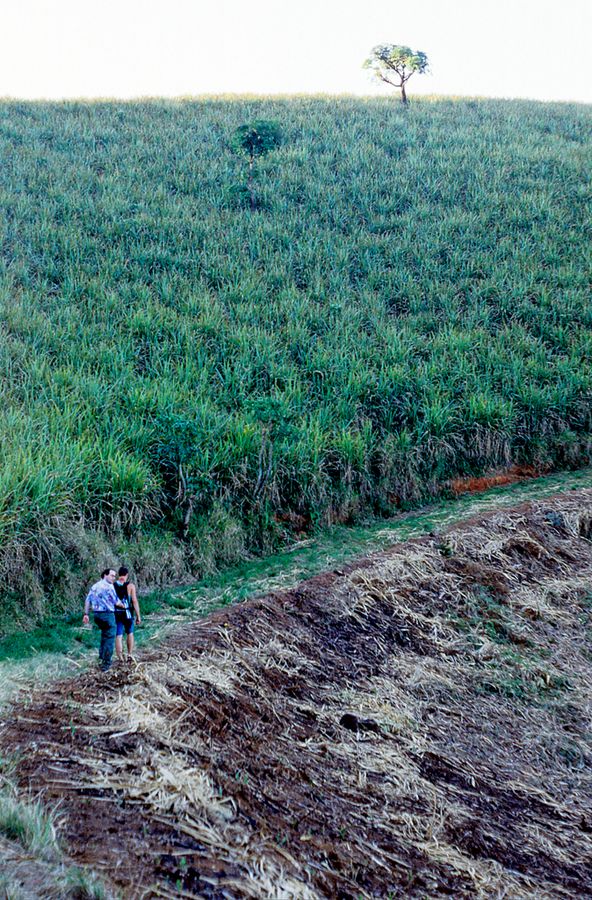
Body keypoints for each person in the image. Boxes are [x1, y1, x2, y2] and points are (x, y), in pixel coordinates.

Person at [83, 568, 118, 672]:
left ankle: (101, 657)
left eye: (114, 576)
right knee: (110, 638)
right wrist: (126, 606)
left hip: (97, 615)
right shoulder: (109, 587)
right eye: (112, 575)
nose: (113, 578)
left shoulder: (95, 586)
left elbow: (88, 600)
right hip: (108, 615)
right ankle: (106, 663)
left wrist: (86, 614)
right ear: (105, 575)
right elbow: (116, 601)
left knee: (104, 635)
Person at [114, 566, 142, 664]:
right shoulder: (130, 586)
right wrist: (138, 615)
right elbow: (134, 601)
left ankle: (120, 658)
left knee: (118, 635)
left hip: (116, 613)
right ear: (126, 575)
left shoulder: (112, 585)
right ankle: (129, 654)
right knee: (130, 633)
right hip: (127, 614)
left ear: (118, 574)